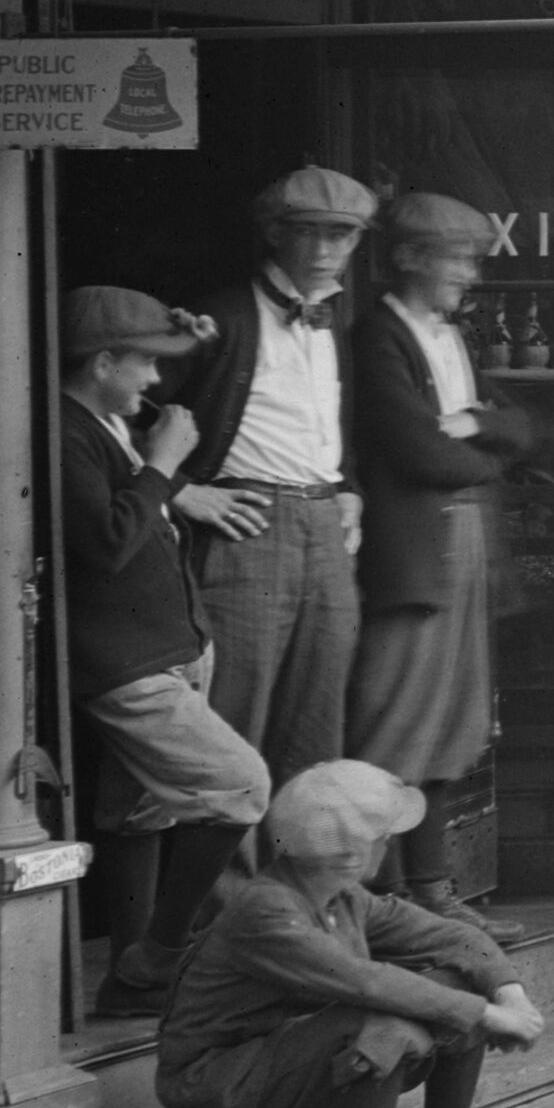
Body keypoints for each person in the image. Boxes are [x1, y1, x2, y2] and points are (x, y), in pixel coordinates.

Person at [150, 758, 550, 1108]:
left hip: (266, 1077)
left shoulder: (341, 897)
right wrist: (485, 1015)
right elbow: (367, 982)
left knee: (451, 990)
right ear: (348, 850)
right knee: (381, 1027)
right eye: (381, 835)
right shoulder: (266, 911)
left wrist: (510, 996)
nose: (388, 843)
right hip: (217, 1102)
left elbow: (452, 937)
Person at [55, 286, 273, 1013]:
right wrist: (164, 464)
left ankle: (126, 980)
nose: (154, 381)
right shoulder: (64, 432)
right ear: (103, 361)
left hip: (166, 647)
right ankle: (161, 952)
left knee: (141, 814)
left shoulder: (103, 418)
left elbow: (140, 486)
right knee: (241, 785)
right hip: (127, 662)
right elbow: (109, 544)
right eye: (144, 363)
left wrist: (189, 350)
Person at [160, 161, 382, 777]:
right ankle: (233, 874)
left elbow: (330, 427)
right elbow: (124, 413)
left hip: (324, 525)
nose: (325, 249)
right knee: (238, 708)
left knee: (318, 709)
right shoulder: (222, 317)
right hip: (249, 526)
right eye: (308, 232)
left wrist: (349, 490)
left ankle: (300, 868)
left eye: (341, 235)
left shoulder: (332, 323)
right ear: (274, 234)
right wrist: (181, 491)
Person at [347, 194, 535, 908]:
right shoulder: (378, 337)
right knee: (394, 722)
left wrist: (477, 425)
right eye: (458, 258)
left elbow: (524, 427)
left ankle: (428, 888)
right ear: (409, 257)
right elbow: (419, 451)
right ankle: (378, 897)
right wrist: (485, 453)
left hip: (465, 547)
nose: (471, 276)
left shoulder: (449, 339)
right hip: (416, 555)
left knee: (454, 723)